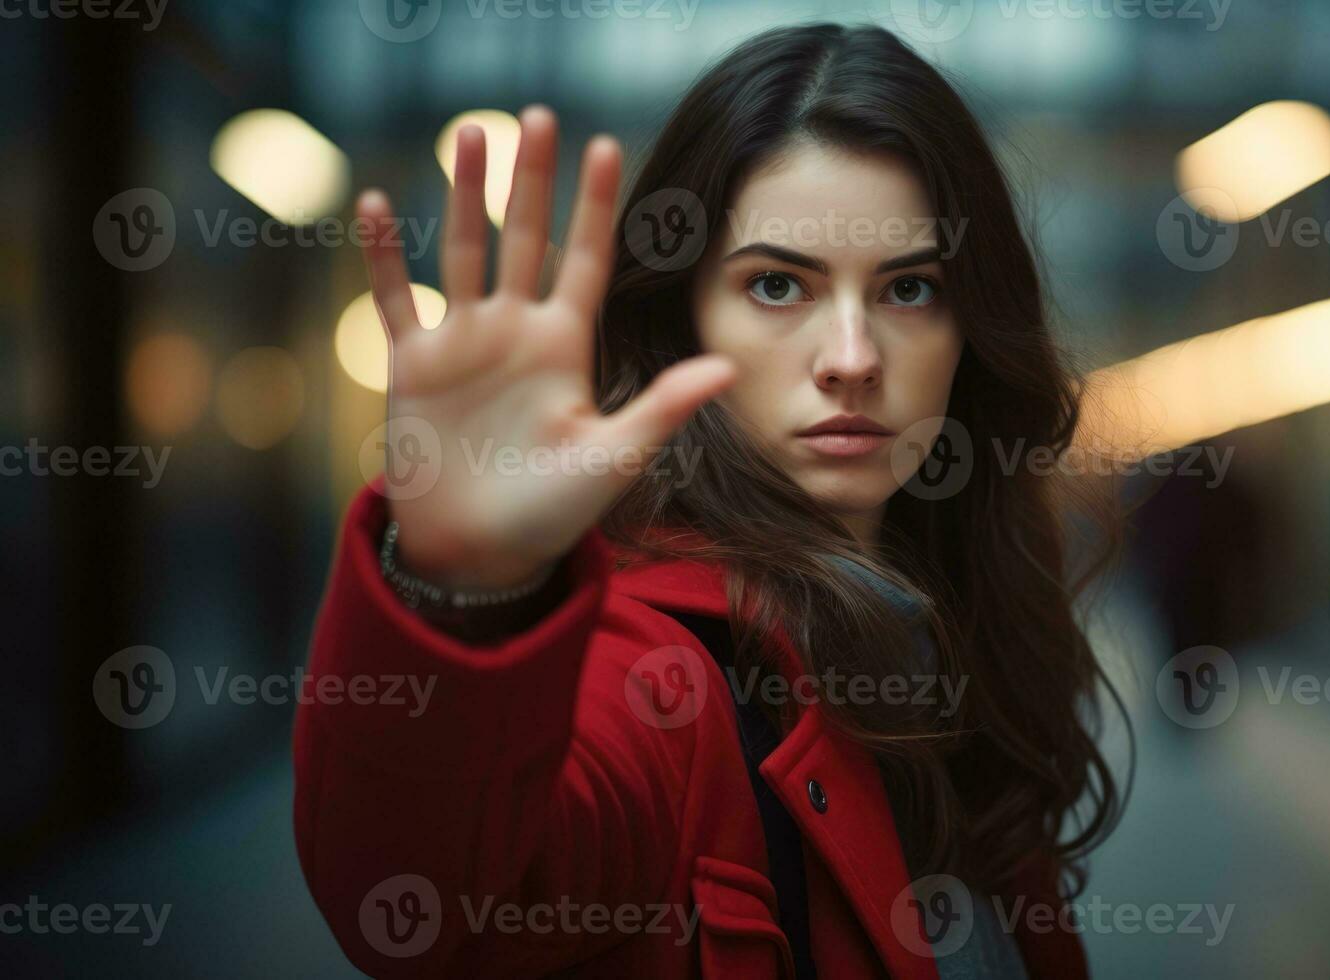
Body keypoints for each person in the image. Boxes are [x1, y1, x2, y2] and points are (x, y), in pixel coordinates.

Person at [294, 22, 1127, 979]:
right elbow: (424, 902)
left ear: (969, 327)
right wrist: (460, 595)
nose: (851, 359)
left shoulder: (961, 635)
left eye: (908, 289)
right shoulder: (658, 676)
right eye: (778, 285)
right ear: (681, 319)